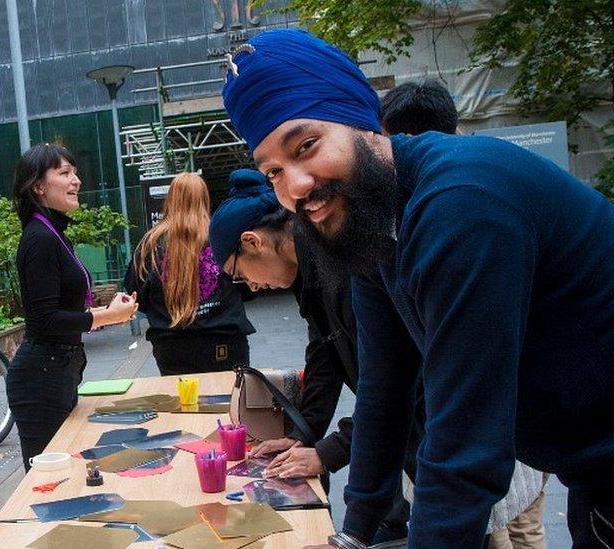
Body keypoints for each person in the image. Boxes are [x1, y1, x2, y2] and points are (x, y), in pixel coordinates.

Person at [221, 28, 614, 548]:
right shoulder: (374, 219)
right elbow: (386, 390)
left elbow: (465, 445)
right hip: (592, 475)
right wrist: (355, 533)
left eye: (307, 146)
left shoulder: (461, 203)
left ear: (362, 121)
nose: (295, 186)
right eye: (274, 170)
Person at [380, 79, 549, 549]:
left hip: (493, 429)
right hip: (514, 432)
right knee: (524, 523)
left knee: (508, 527)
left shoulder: (455, 206)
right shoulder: (479, 175)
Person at [210, 169, 413, 544]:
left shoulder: (343, 267)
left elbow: (394, 382)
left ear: (252, 241)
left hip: (441, 426)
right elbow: (325, 352)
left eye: (240, 276)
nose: (252, 286)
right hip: (405, 431)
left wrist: (330, 451)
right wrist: (305, 435)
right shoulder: (310, 268)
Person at [7, 143, 138, 471]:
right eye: (64, 173)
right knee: (48, 480)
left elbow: (58, 308)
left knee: (64, 472)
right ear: (38, 186)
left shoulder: (53, 233)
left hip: (57, 370)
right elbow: (44, 320)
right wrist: (105, 317)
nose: (76, 180)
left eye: (74, 172)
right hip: (41, 377)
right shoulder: (40, 238)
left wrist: (104, 313)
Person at [124, 172, 255, 376]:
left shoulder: (149, 245)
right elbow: (249, 285)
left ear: (170, 200)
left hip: (172, 344)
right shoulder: (223, 236)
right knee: (233, 400)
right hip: (225, 338)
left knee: (183, 404)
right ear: (205, 198)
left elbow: (136, 293)